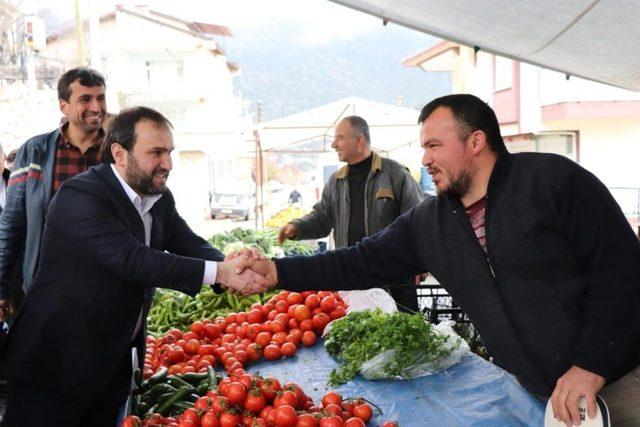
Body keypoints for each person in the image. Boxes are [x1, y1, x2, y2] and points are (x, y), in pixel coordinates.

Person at [235, 94, 640, 427]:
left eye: (434, 146)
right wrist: (277, 271)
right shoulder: (429, 222)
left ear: (476, 142)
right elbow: (357, 261)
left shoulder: (553, 182)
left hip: (618, 381)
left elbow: (622, 274)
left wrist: (591, 364)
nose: (425, 160)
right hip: (542, 396)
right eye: (423, 148)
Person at [2, 106, 268, 426]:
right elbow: (133, 260)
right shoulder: (81, 196)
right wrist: (220, 273)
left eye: (169, 152)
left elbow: (186, 241)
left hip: (110, 363)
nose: (167, 164)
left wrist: (230, 266)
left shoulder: (158, 198)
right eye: (156, 152)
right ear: (120, 153)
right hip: (53, 365)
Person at [278, 116, 424, 311]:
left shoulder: (395, 174)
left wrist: (420, 262)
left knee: (402, 330)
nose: (333, 144)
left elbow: (417, 219)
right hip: (353, 275)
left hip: (393, 276)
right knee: (358, 330)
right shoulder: (336, 181)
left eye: (339, 138)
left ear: (360, 140)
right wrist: (297, 227)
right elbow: (322, 218)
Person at [0, 67, 108, 323]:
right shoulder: (35, 151)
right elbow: (11, 224)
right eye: (85, 99)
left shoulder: (118, 153)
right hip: (45, 291)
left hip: (104, 291)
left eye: (101, 98)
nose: (96, 106)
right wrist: (2, 286)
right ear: (64, 106)